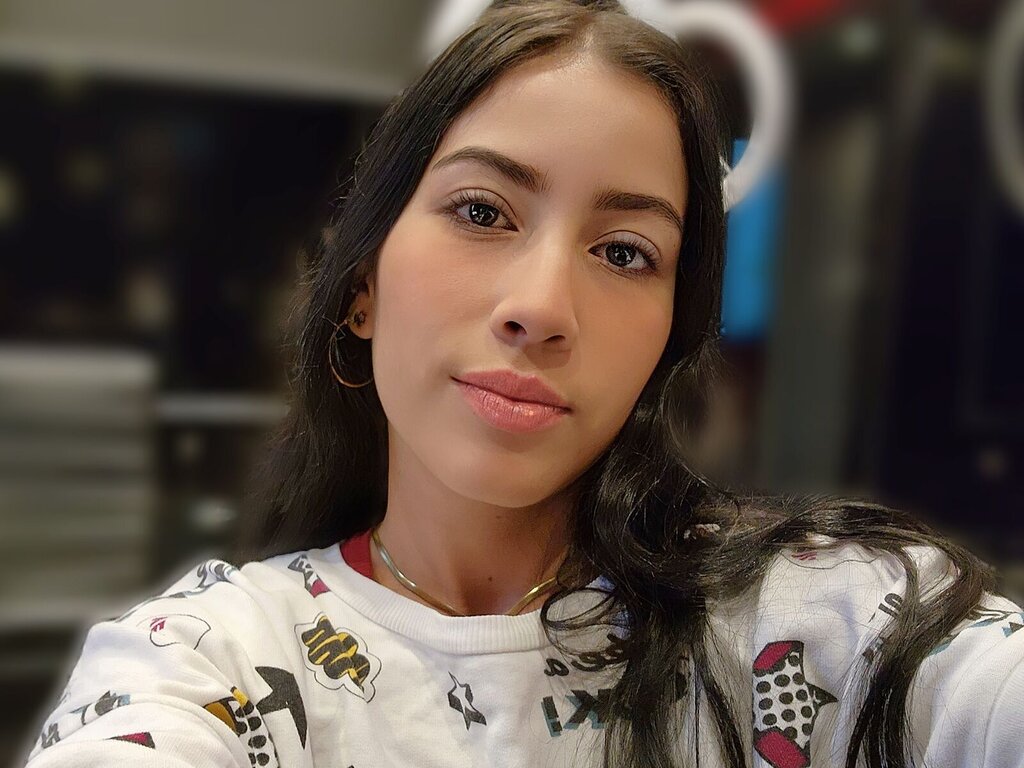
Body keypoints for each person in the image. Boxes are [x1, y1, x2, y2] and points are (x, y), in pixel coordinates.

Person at [22, 1, 1023, 767]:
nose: (541, 307)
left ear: (665, 340)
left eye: (624, 252)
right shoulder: (209, 659)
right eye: (482, 211)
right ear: (362, 285)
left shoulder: (817, 621)